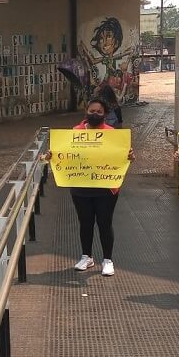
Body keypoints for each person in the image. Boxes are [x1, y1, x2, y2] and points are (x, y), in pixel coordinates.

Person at [46, 98, 134, 277]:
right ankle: (86, 256)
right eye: (91, 111)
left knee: (104, 223)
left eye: (99, 112)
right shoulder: (74, 133)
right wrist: (52, 155)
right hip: (81, 187)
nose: (95, 114)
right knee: (85, 223)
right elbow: (64, 154)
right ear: (86, 111)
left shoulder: (112, 134)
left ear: (105, 114)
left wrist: (129, 156)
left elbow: (122, 156)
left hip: (106, 188)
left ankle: (107, 260)